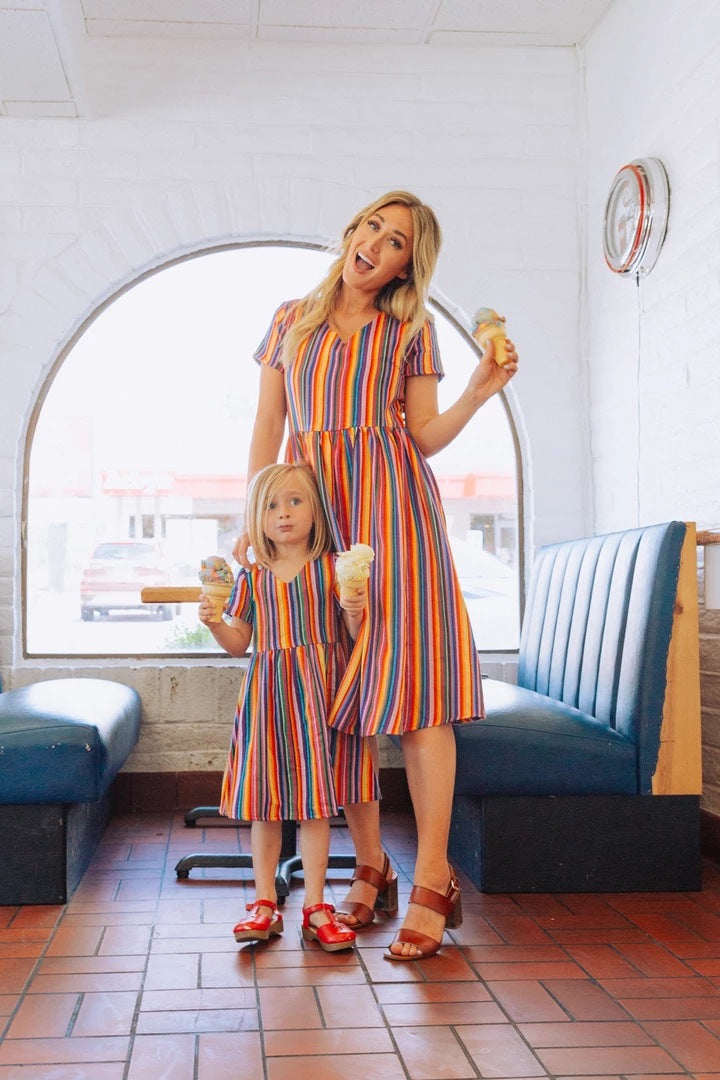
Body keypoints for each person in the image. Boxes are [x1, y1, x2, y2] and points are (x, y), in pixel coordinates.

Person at [233, 190, 519, 960]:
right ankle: (370, 864)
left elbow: (421, 434)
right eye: (374, 227)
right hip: (318, 515)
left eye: (397, 243)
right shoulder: (290, 320)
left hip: (399, 518)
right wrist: (256, 516)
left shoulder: (411, 328)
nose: (377, 245)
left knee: (420, 697)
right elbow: (269, 424)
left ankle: (433, 879)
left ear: (405, 267)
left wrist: (477, 392)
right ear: (351, 230)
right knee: (338, 695)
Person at [201, 461, 378, 953]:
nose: (283, 513)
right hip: (269, 697)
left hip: (319, 696)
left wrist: (354, 609)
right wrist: (215, 623)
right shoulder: (252, 578)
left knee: (315, 806)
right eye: (272, 506)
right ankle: (264, 903)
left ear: (315, 510)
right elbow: (239, 643)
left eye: (295, 501)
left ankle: (316, 907)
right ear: (256, 518)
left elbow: (354, 635)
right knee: (266, 804)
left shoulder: (332, 569)